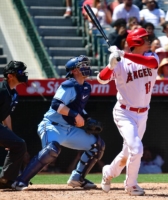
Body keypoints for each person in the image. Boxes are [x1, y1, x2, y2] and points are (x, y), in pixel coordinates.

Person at [11, 55, 105, 191]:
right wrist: (75, 115)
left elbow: (77, 107)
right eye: (82, 66)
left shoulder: (85, 87)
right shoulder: (69, 84)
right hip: (51, 125)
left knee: (98, 145)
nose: (86, 68)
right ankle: (20, 181)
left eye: (86, 65)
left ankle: (77, 178)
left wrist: (87, 118)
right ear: (74, 70)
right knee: (51, 150)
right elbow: (56, 105)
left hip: (68, 129)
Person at [97, 28, 159, 196]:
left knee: (128, 153)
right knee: (137, 149)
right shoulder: (120, 62)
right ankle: (130, 185)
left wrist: (123, 54)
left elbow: (152, 64)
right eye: (144, 38)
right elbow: (102, 79)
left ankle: (108, 172)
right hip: (124, 113)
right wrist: (111, 64)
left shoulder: (151, 57)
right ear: (136, 42)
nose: (148, 40)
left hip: (143, 113)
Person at [0, 61, 28, 189]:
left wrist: (9, 136)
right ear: (10, 76)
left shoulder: (13, 93)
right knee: (19, 144)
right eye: (20, 72)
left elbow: (6, 115)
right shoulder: (1, 90)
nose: (23, 74)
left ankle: (5, 180)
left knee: (18, 144)